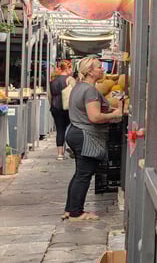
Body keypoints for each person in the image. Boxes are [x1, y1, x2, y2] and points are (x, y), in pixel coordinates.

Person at [63, 58, 124, 221]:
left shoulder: (79, 87)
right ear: (90, 71)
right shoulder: (90, 91)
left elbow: (90, 109)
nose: (103, 69)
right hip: (85, 134)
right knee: (84, 174)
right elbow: (95, 117)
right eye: (99, 67)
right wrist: (115, 114)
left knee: (80, 174)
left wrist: (112, 108)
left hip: (75, 131)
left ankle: (70, 209)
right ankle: (77, 212)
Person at [49, 60, 74, 160]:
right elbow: (74, 92)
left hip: (55, 106)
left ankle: (60, 154)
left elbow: (49, 95)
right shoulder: (69, 79)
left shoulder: (53, 80)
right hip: (66, 107)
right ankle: (70, 148)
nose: (72, 70)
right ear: (67, 68)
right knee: (69, 128)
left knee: (60, 129)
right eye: (71, 68)